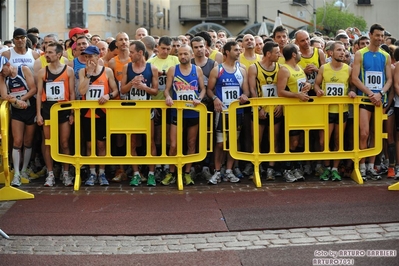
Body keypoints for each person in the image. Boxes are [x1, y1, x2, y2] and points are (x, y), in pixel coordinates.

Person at [351, 23, 392, 181]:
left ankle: (371, 166)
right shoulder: (360, 54)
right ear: (370, 35)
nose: (380, 38)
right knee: (364, 133)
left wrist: (380, 93)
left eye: (382, 36)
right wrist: (370, 94)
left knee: (376, 134)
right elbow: (354, 78)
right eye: (377, 35)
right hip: (364, 98)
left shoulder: (385, 56)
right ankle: (361, 166)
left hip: (378, 100)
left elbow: (388, 79)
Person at [162, 44, 207, 186]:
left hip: (192, 112)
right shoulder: (173, 70)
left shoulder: (197, 70)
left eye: (185, 54)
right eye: (180, 54)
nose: (182, 57)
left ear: (191, 54)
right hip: (177, 111)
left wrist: (199, 98)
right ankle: (171, 172)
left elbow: (203, 89)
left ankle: (187, 173)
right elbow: (166, 90)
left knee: (191, 143)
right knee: (174, 145)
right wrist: (168, 97)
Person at [207, 41, 250, 184]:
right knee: (220, 143)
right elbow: (209, 89)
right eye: (236, 50)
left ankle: (229, 171)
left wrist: (245, 96)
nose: (239, 52)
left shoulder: (242, 69)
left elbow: (246, 90)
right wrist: (215, 99)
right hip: (222, 112)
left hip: (236, 113)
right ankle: (217, 171)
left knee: (233, 141)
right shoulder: (217, 70)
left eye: (239, 49)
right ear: (226, 52)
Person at [314, 41, 356, 181]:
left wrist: (352, 92)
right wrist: (318, 90)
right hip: (326, 110)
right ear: (330, 53)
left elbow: (352, 86)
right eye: (339, 50)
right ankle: (326, 168)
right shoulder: (324, 68)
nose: (342, 52)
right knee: (323, 141)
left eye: (344, 50)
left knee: (339, 140)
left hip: (342, 111)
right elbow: (316, 84)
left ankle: (334, 168)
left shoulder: (348, 69)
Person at [78, 46, 119, 186]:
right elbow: (82, 91)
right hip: (87, 113)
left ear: (98, 56)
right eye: (86, 57)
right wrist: (89, 74)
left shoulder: (107, 71)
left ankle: (101, 173)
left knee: (101, 144)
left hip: (102, 113)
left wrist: (108, 95)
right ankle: (91, 172)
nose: (88, 60)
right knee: (89, 144)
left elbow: (115, 91)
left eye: (91, 56)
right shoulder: (82, 72)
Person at [36, 43, 76, 187]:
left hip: (64, 109)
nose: (46, 55)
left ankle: (66, 173)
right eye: (46, 52)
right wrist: (38, 114)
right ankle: (50, 173)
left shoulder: (69, 71)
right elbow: (39, 94)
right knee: (49, 143)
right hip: (48, 110)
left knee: (64, 143)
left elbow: (72, 93)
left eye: (50, 52)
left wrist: (72, 112)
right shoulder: (42, 72)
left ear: (59, 55)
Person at [120, 40, 159, 186]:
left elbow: (155, 91)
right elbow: (122, 90)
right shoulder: (127, 67)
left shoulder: (152, 68)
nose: (129, 55)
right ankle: (136, 174)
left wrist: (143, 87)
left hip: (146, 110)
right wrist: (132, 83)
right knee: (133, 142)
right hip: (131, 110)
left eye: (131, 52)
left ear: (140, 53)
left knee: (150, 142)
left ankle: (151, 174)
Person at [248, 42, 283, 181]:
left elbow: (282, 88)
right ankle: (257, 167)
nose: (279, 55)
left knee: (273, 139)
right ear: (268, 54)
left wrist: (280, 104)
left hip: (274, 108)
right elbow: (252, 89)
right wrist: (258, 107)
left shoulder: (280, 68)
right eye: (277, 52)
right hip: (259, 108)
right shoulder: (254, 68)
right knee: (256, 140)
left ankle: (270, 168)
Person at [0, 56, 37, 186]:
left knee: (28, 141)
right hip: (17, 110)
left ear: (8, 64)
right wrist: (17, 101)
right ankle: (16, 174)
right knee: (17, 141)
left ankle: (24, 169)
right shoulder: (3, 78)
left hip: (30, 108)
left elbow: (33, 88)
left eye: (2, 70)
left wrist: (23, 98)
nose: (1, 73)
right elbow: (4, 95)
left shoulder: (24, 69)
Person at [276, 44, 311, 182]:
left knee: (300, 140)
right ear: (294, 54)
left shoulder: (299, 69)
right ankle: (286, 169)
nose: (301, 53)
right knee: (292, 141)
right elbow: (280, 91)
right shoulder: (284, 70)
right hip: (290, 111)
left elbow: (303, 84)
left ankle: (296, 167)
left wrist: (309, 85)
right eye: (298, 51)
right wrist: (297, 95)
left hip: (301, 110)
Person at [147, 36, 179, 181]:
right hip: (155, 103)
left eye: (168, 48)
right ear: (157, 47)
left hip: (172, 103)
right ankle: (158, 164)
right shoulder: (151, 62)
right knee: (157, 135)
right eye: (163, 48)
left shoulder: (175, 60)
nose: (165, 51)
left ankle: (167, 164)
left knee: (169, 135)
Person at [190, 36, 218, 180]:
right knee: (191, 139)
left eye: (201, 46)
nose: (199, 49)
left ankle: (207, 165)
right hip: (191, 108)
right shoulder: (188, 63)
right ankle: (193, 166)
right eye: (196, 47)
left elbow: (215, 87)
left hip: (208, 107)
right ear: (192, 49)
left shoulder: (213, 64)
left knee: (208, 136)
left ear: (205, 47)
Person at [108, 32, 132, 182]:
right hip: (118, 104)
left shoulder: (134, 58)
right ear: (116, 44)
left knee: (136, 137)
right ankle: (120, 168)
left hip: (135, 104)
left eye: (126, 39)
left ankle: (136, 169)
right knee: (119, 137)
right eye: (120, 40)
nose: (123, 42)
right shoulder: (112, 62)